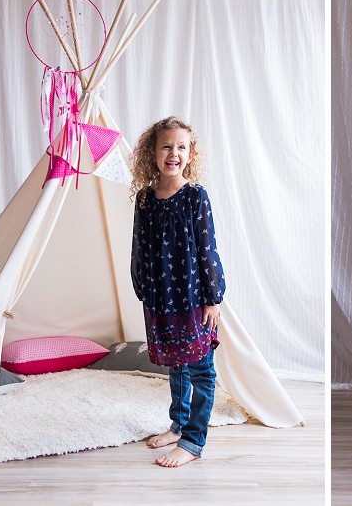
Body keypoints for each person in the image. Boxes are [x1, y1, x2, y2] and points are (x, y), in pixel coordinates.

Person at [130, 116, 226, 468]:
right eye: (166, 146)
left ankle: (193, 441)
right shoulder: (144, 199)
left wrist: (214, 297)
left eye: (181, 147)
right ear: (153, 153)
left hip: (193, 297)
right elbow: (139, 246)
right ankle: (179, 424)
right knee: (176, 363)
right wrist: (142, 287)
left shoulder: (195, 197)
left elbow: (207, 247)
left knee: (201, 369)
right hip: (160, 296)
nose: (173, 153)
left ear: (190, 154)